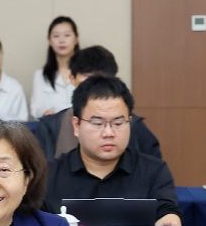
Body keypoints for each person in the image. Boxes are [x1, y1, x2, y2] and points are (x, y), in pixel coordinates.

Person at [42, 76, 183, 226]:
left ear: (130, 122)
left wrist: (169, 223)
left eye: (118, 123)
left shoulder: (153, 171)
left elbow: (166, 210)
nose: (108, 133)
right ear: (76, 125)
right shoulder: (48, 175)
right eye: (97, 123)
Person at [33, 45, 162, 161]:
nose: (94, 89)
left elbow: (152, 171)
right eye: (87, 81)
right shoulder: (49, 127)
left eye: (117, 123)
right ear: (72, 78)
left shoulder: (135, 127)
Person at [30, 16, 79, 118]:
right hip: (52, 125)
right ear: (49, 40)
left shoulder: (86, 72)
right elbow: (35, 109)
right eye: (56, 36)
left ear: (76, 39)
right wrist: (44, 113)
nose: (61, 40)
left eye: (67, 35)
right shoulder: (40, 75)